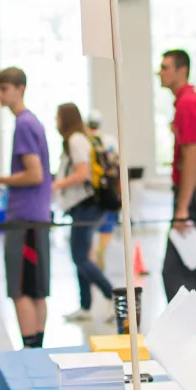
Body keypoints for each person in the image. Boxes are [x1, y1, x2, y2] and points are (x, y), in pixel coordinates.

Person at [0, 67, 51, 348]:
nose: (0, 94)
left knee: (21, 289)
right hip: (34, 216)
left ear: (20, 88)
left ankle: (31, 348)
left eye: (5, 88)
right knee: (35, 289)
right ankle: (36, 347)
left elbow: (34, 174)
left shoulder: (24, 124)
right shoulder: (31, 122)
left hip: (25, 218)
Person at [158, 49, 196, 313]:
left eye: (165, 67)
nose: (160, 72)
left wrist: (182, 208)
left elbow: (191, 154)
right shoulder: (187, 102)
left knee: (175, 271)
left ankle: (193, 330)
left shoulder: (188, 103)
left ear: (182, 70)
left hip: (194, 197)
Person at [53, 103, 113, 322]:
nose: (55, 122)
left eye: (57, 117)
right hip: (81, 207)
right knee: (81, 256)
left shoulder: (75, 140)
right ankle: (85, 305)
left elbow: (83, 173)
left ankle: (112, 295)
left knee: (80, 257)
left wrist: (56, 185)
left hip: (87, 206)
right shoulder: (76, 140)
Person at [85, 109, 119, 271]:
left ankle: (92, 256)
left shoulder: (85, 141)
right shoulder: (109, 140)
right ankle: (100, 251)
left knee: (89, 227)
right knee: (107, 225)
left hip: (90, 192)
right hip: (108, 191)